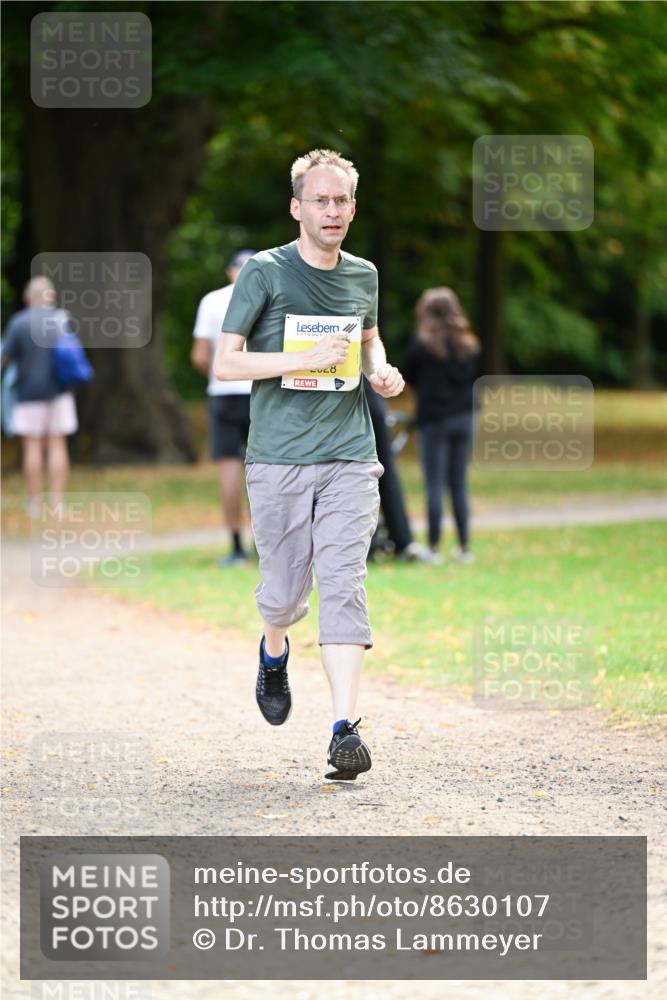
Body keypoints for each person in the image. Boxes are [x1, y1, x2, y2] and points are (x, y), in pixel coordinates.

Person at [214, 148, 404, 781]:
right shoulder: (264, 274)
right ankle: (274, 653)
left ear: (354, 206)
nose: (332, 211)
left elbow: (368, 338)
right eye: (320, 200)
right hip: (278, 460)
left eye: (342, 200)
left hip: (351, 454)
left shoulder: (364, 275)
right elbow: (226, 363)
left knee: (345, 583)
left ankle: (344, 729)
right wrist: (305, 360)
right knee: (283, 596)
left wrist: (379, 371)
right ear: (296, 207)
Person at [403, 287, 480, 564]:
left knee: (434, 483)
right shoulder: (468, 344)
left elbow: (408, 378)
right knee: (458, 483)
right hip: (464, 418)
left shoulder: (421, 345)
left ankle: (434, 548)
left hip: (433, 420)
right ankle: (463, 547)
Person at [191, 250, 256, 565]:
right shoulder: (269, 296)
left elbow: (200, 355)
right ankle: (267, 544)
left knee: (229, 471)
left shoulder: (211, 301)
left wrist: (219, 374)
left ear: (230, 271)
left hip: (224, 393)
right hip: (260, 391)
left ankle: (236, 546)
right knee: (267, 472)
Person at [1, 277, 78, 516]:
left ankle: (34, 503)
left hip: (28, 394)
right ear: (50, 297)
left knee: (32, 446)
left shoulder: (19, 323)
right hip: (60, 393)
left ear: (27, 298)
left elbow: (6, 359)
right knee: (57, 444)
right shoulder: (61, 320)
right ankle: (57, 504)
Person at [363, 377, 429, 562]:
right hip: (369, 400)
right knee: (385, 472)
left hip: (355, 405)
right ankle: (402, 540)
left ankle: (393, 541)